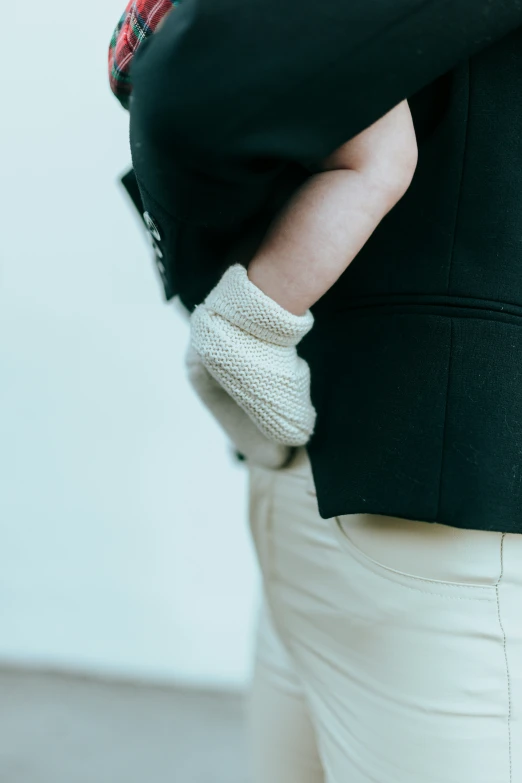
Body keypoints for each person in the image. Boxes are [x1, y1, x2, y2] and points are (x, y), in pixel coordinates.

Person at [111, 1, 522, 779]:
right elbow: (205, 71)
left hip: (388, 490)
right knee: (374, 154)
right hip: (427, 518)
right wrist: (249, 309)